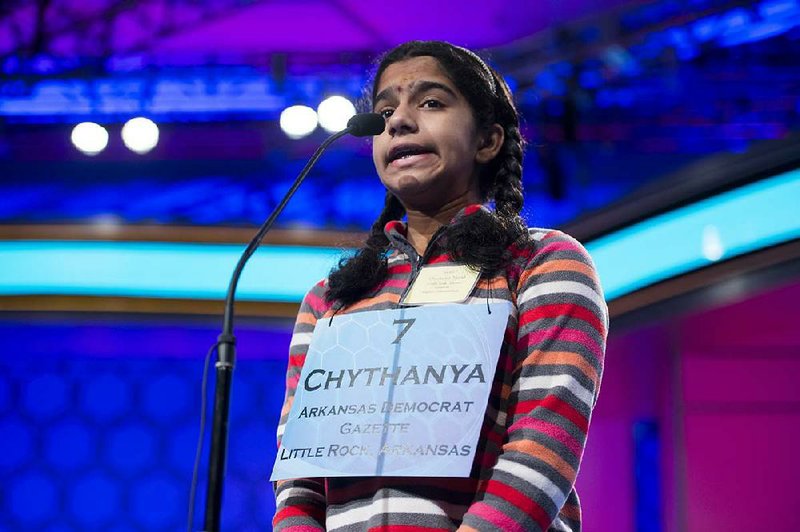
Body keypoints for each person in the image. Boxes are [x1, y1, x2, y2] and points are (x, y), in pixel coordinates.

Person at [273, 40, 607, 531]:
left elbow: (543, 444)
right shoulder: (328, 299)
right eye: (384, 110)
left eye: (430, 102)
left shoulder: (542, 263)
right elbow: (299, 483)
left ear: (487, 140)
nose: (398, 121)